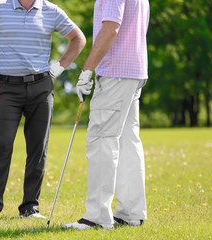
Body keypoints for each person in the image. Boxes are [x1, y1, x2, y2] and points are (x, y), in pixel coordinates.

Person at [0, 0, 86, 222]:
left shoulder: (51, 10)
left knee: (38, 148)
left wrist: (59, 67)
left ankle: (30, 207)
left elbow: (78, 38)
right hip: (6, 88)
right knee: (3, 144)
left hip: (41, 88)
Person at [63, 0, 150, 230]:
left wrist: (87, 69)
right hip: (134, 70)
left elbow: (111, 28)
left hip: (115, 72)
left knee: (102, 140)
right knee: (128, 142)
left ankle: (97, 217)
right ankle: (131, 213)